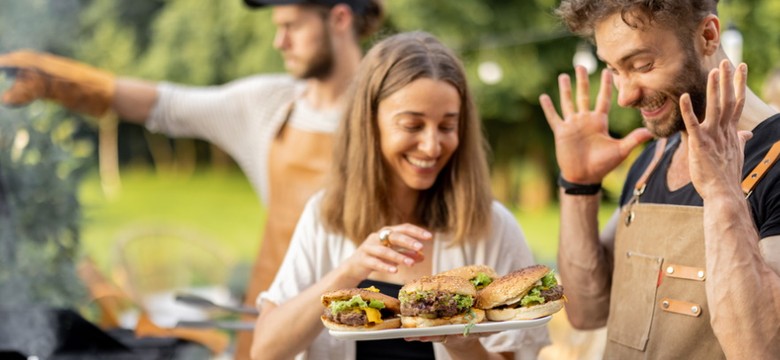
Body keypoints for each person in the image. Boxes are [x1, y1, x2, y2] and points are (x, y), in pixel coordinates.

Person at [0, 0, 383, 358]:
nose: (278, 40)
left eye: (291, 26)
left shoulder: (395, 110)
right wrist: (60, 82)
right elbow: (164, 104)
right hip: (275, 317)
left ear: (339, 18)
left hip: (370, 323)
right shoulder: (268, 105)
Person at [250, 31, 550, 360]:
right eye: (411, 125)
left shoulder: (493, 226)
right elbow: (265, 351)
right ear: (369, 124)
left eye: (448, 126)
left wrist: (465, 342)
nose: (432, 146)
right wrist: (349, 272)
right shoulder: (325, 216)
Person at [539, 0, 780, 358]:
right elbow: (587, 312)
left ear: (708, 36)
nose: (625, 95)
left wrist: (722, 196)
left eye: (641, 65)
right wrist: (578, 185)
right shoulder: (652, 160)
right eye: (614, 69)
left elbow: (760, 347)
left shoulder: (775, 164)